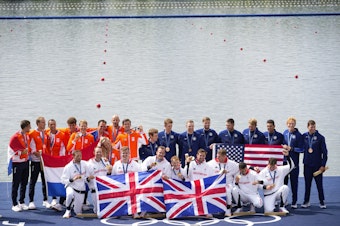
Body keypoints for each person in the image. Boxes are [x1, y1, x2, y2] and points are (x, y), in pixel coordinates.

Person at [301, 120, 328, 209]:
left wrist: (323, 165)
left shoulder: (320, 138)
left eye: (314, 127)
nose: (312, 128)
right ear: (307, 127)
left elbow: (325, 152)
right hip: (307, 164)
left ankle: (322, 201)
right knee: (307, 184)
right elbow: (300, 147)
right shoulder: (304, 136)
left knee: (319, 184)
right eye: (311, 127)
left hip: (317, 165)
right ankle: (306, 201)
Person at [259, 149, 294, 214]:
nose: (271, 168)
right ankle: (272, 204)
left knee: (285, 188)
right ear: (268, 163)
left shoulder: (280, 169)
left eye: (273, 166)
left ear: (276, 164)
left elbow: (291, 166)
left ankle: (282, 207)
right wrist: (265, 187)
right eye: (270, 166)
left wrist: (288, 156)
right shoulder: (263, 172)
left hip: (278, 192)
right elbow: (258, 184)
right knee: (268, 211)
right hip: (268, 194)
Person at [208, 148, 239, 216]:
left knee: (227, 191)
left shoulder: (232, 163)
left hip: (227, 183)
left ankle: (228, 209)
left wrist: (253, 168)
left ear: (224, 156)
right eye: (217, 156)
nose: (217, 158)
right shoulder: (211, 163)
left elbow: (241, 166)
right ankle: (210, 210)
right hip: (216, 183)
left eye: (219, 157)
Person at [28, 116, 50, 209]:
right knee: (33, 181)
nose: (44, 124)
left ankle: (45, 200)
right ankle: (31, 201)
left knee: (45, 181)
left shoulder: (45, 133)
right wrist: (35, 152)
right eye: (43, 122)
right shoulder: (32, 133)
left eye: (44, 122)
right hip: (35, 160)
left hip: (44, 161)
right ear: (38, 123)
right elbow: (30, 145)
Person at [282, 116, 303, 209]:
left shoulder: (299, 135)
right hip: (285, 163)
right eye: (289, 123)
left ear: (295, 125)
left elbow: (302, 149)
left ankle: (294, 201)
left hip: (294, 164)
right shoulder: (285, 133)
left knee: (294, 183)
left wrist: (292, 149)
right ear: (287, 124)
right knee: (284, 183)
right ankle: (284, 200)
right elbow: (282, 145)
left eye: (292, 124)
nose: (291, 125)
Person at [9, 120, 31, 212]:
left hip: (25, 162)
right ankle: (14, 204)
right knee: (16, 183)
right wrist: (21, 152)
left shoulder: (27, 135)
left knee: (24, 183)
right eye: (29, 126)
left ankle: (21, 202)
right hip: (17, 163)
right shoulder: (15, 137)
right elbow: (11, 150)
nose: (30, 128)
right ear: (25, 127)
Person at [61, 150, 89, 218]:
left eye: (80, 156)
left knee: (78, 212)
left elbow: (92, 164)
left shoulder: (84, 164)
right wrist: (72, 179)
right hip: (71, 186)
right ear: (73, 156)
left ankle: (74, 204)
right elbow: (62, 180)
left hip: (81, 189)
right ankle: (67, 210)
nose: (80, 157)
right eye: (77, 156)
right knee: (70, 194)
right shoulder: (68, 167)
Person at [47, 119, 67, 211]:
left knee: (61, 179)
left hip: (59, 162)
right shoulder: (46, 134)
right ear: (48, 126)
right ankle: (54, 199)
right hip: (49, 161)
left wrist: (62, 160)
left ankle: (62, 199)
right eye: (50, 124)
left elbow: (64, 147)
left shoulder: (62, 135)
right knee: (51, 179)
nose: (52, 126)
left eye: (54, 124)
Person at [87, 146, 112, 213]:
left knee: (107, 209)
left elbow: (109, 175)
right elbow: (86, 179)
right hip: (94, 189)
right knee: (97, 211)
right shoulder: (89, 163)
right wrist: (89, 178)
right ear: (94, 153)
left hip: (104, 189)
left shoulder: (106, 162)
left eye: (100, 152)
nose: (99, 153)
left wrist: (109, 172)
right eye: (97, 152)